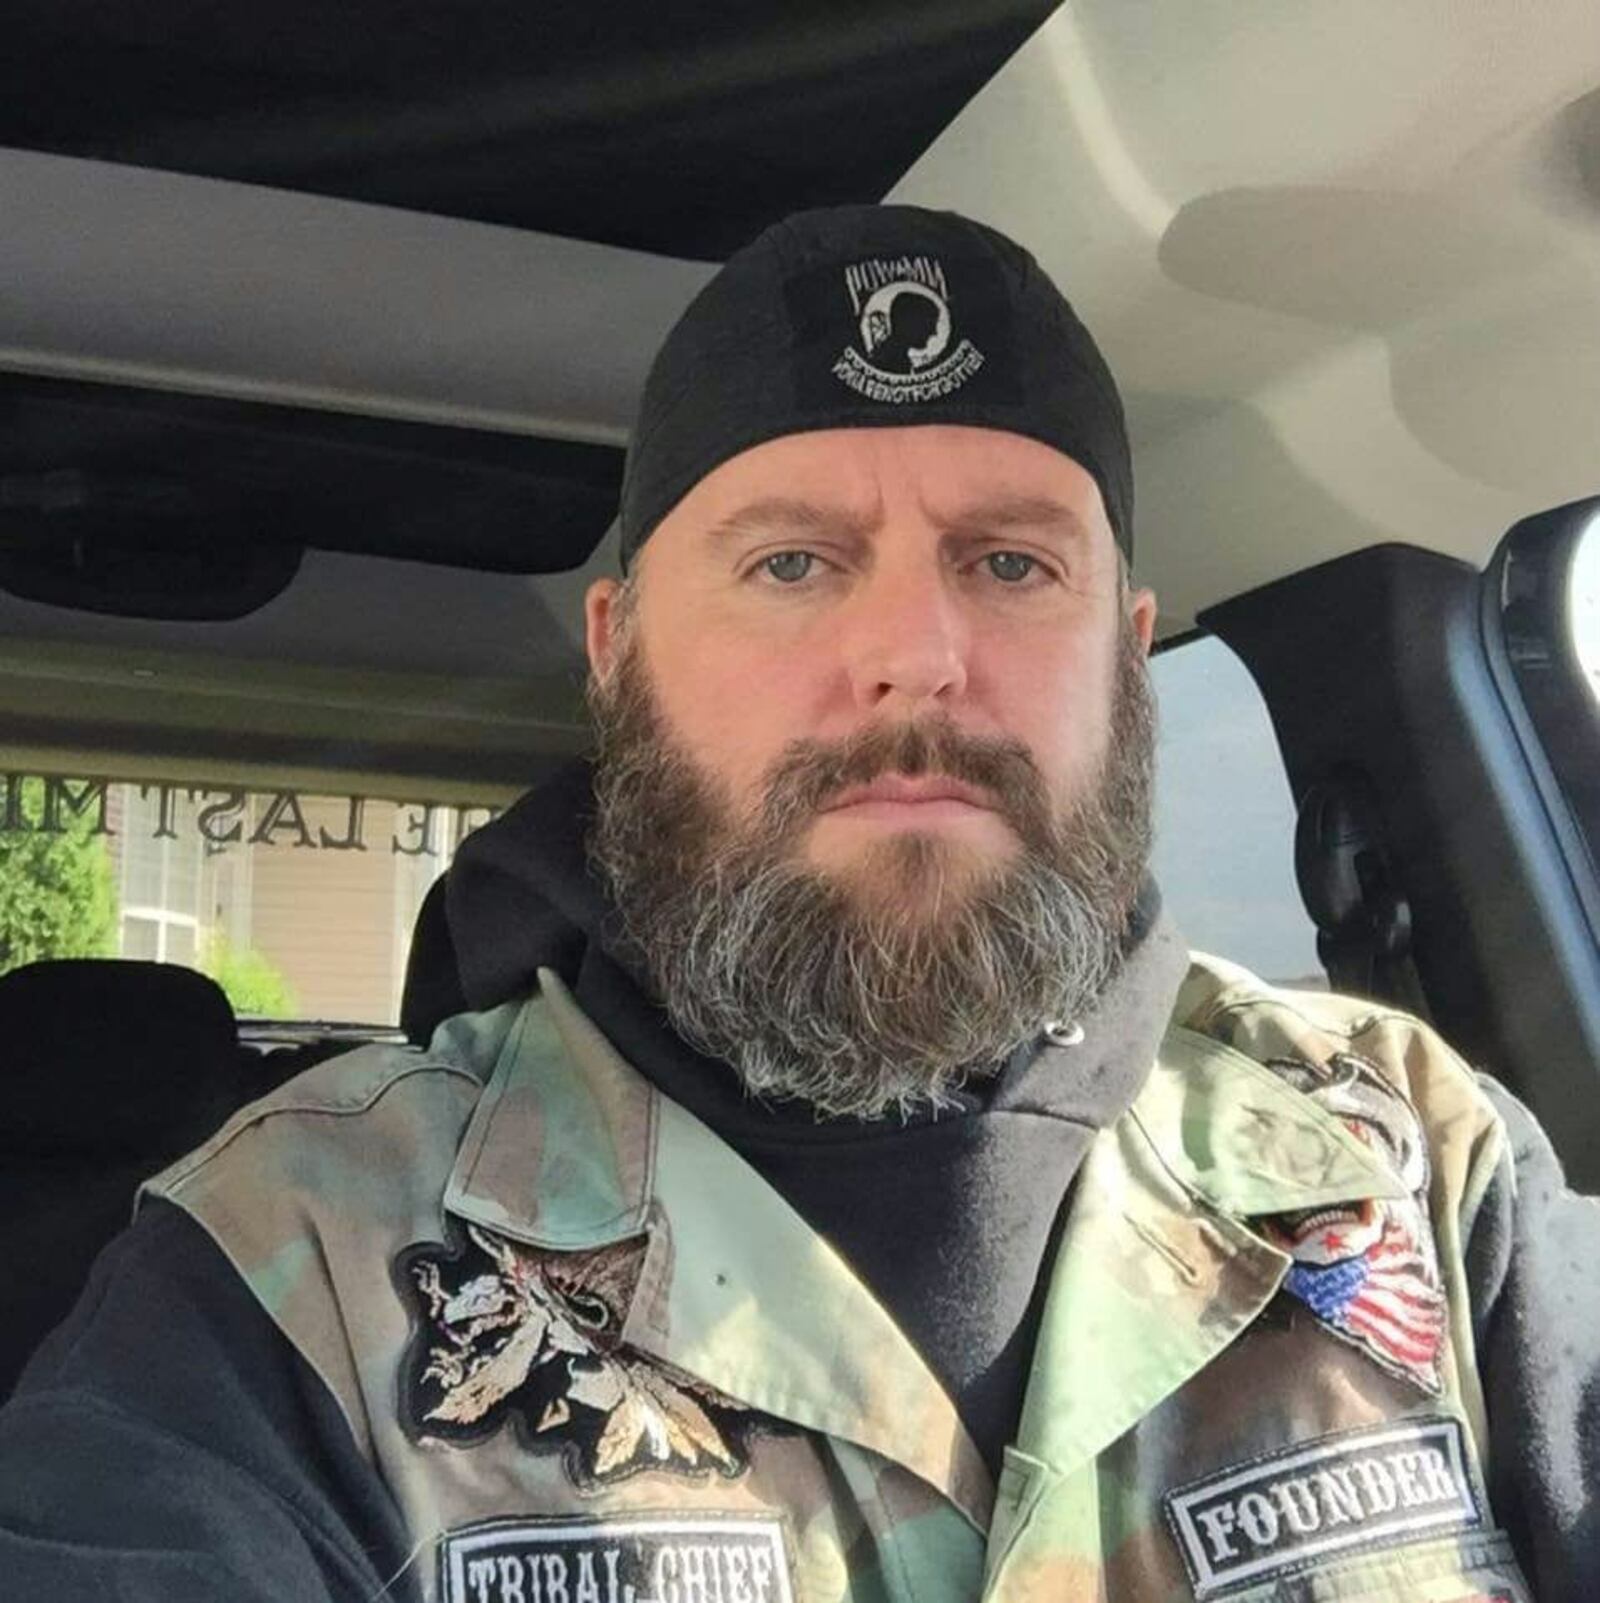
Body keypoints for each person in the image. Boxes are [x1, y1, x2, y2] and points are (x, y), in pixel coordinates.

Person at [1, 204, 1594, 1603]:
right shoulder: (288, 1276)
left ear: (1127, 650)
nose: (915, 654)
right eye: (792, 564)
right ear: (618, 653)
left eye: (1011, 564)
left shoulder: (1421, 1161)